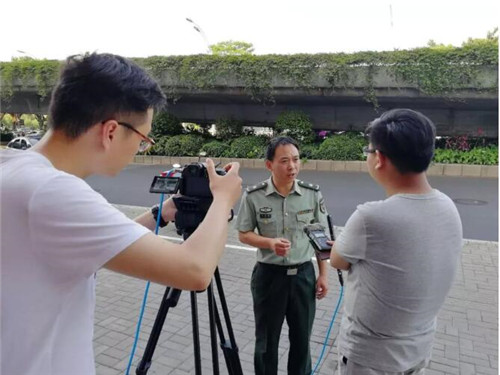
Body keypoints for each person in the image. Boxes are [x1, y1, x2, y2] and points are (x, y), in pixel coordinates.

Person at [0, 53, 242, 375]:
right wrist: (224, 199)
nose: (141, 149)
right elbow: (195, 271)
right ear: (111, 131)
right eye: (143, 139)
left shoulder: (15, 170)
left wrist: (161, 212)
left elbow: (94, 242)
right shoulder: (52, 193)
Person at [330, 108, 463, 375]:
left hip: (370, 359)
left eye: (368, 150)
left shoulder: (371, 217)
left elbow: (337, 259)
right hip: (418, 349)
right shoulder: (448, 206)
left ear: (379, 158)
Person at [236, 136, 330, 375]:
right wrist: (269, 242)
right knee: (266, 343)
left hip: (303, 277)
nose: (292, 167)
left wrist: (323, 275)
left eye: (296, 160)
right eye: (285, 161)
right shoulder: (254, 196)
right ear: (270, 165)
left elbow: (320, 239)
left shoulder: (312, 194)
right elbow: (244, 234)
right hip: (269, 277)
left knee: (301, 342)